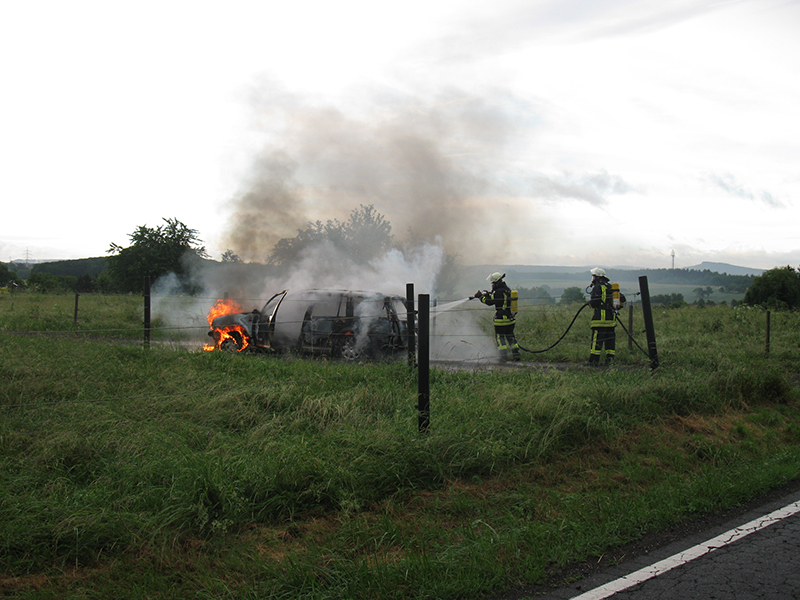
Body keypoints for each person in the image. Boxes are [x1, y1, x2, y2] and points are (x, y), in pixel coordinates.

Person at [473, 272, 521, 362]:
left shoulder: (498, 292)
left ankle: (503, 357)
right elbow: (494, 296)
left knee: (500, 338)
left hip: (501, 319)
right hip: (510, 318)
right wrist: (487, 294)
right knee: (510, 336)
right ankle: (516, 354)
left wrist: (481, 297)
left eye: (493, 283)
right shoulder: (507, 290)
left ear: (497, 282)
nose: (492, 285)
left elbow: (489, 302)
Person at [587, 267, 616, 366]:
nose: (592, 279)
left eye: (593, 276)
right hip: (611, 320)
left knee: (597, 340)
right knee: (610, 341)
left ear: (597, 277)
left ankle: (593, 361)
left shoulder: (597, 287)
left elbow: (595, 302)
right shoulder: (610, 287)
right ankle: (610, 361)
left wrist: (590, 303)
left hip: (600, 320)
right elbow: (622, 299)